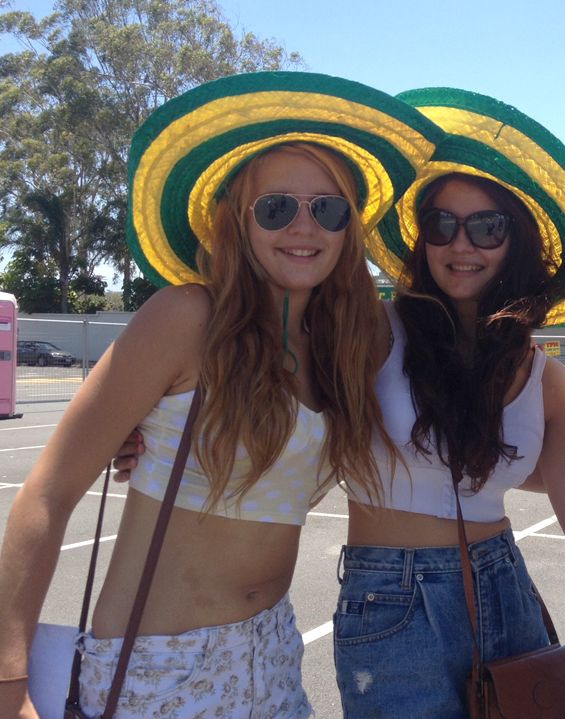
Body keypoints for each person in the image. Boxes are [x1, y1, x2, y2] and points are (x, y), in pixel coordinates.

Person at [0, 71, 441, 718]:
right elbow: (49, 491)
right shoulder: (185, 319)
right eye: (276, 207)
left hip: (275, 660)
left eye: (328, 208)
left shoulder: (350, 345)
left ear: (349, 227)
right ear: (237, 219)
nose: (304, 225)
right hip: (158, 675)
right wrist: (9, 686)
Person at [330, 88, 565, 717]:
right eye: (442, 225)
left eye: (487, 227)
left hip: (503, 579)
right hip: (391, 592)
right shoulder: (373, 333)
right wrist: (152, 429)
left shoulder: (546, 378)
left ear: (514, 242)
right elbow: (274, 387)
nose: (461, 245)